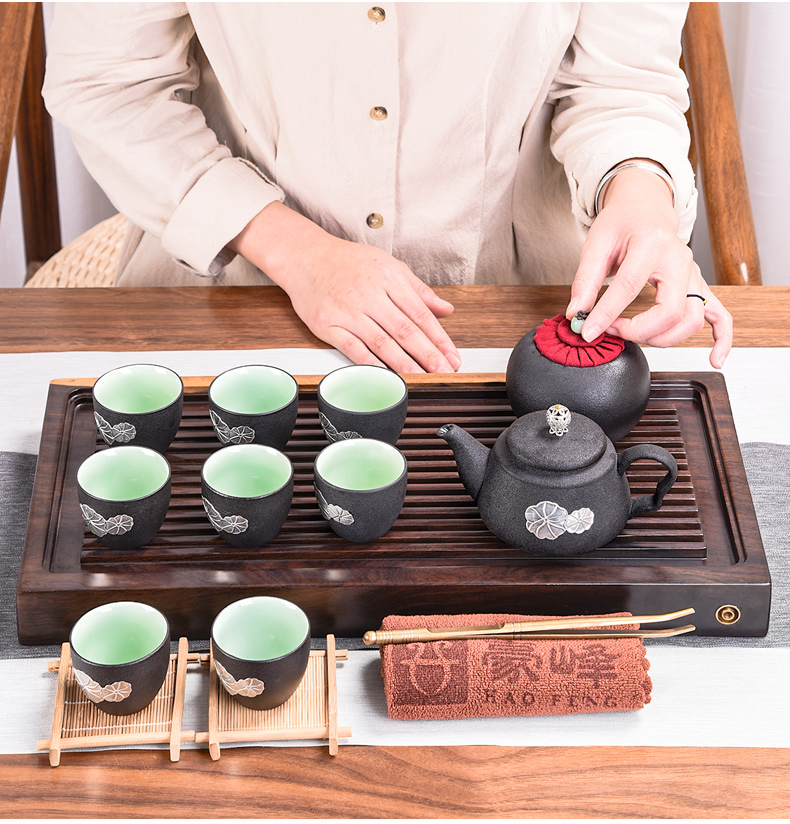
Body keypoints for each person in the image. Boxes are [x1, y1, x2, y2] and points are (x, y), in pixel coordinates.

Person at [43, 2, 732, 371]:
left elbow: (621, 84)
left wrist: (640, 191)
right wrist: (296, 251)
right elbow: (109, 83)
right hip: (237, 290)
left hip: (527, 301)